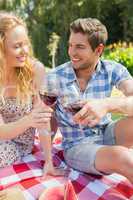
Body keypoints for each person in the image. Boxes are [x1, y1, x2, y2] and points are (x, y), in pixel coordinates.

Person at [47, 17, 133, 183]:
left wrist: (107, 104)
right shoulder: (55, 77)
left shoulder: (113, 69)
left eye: (79, 47)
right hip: (77, 145)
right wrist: (46, 157)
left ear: (98, 50)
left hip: (108, 132)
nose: (72, 52)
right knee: (122, 157)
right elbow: (48, 118)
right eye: (70, 45)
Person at [0, 11, 64, 178]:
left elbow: (42, 120)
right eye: (17, 46)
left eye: (26, 44)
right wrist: (29, 119)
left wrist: (48, 162)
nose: (25, 51)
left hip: (18, 144)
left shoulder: (35, 70)